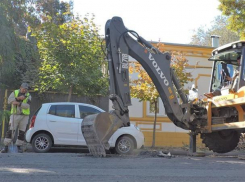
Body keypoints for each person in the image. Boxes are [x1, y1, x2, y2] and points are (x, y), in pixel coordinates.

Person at [0, 83, 31, 153]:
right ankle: (6, 146)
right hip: (15, 115)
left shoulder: (28, 95)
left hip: (24, 116)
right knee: (11, 130)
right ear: (20, 87)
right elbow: (9, 101)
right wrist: (18, 98)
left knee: (22, 132)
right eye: (24, 88)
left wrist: (18, 103)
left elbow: (27, 106)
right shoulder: (15, 92)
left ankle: (19, 146)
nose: (25, 90)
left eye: (26, 89)